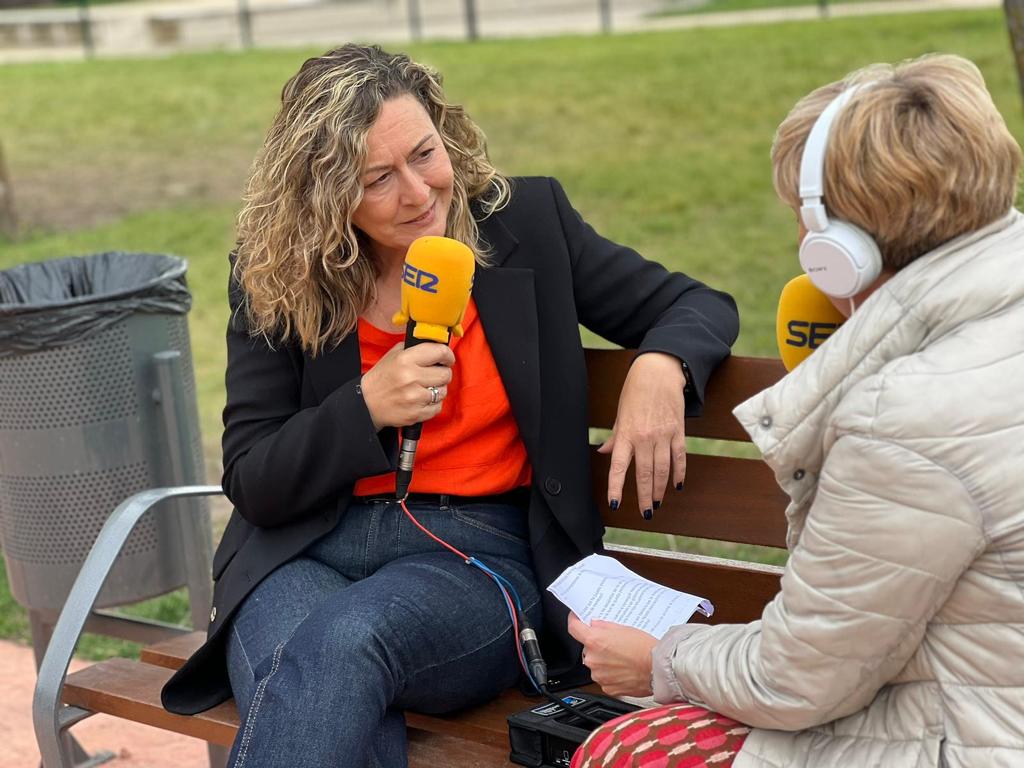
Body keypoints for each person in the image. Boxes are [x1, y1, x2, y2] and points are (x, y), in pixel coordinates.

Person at [159, 43, 739, 767]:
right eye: (378, 180)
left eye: (425, 154)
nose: (419, 192)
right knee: (322, 672)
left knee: (341, 643)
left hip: (474, 555)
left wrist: (659, 367)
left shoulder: (525, 222)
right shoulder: (279, 273)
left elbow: (697, 304)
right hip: (304, 549)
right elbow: (253, 479)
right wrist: (363, 407)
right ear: (326, 197)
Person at [569, 53, 1024, 768]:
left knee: (628, 749)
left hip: (968, 738)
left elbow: (798, 679)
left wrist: (661, 659)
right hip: (976, 698)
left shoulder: (904, 420)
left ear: (839, 252)